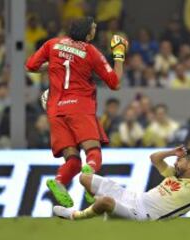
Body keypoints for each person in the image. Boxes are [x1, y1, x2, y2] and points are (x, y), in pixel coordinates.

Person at [26, 17, 128, 208]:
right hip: (80, 107)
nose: (95, 32)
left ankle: (58, 181)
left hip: (55, 110)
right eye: (94, 29)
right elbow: (115, 83)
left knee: (72, 160)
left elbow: (31, 65)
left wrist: (54, 64)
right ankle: (89, 180)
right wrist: (119, 56)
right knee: (93, 152)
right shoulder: (90, 52)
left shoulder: (52, 44)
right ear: (88, 33)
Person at [53, 146, 190, 221]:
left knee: (105, 202)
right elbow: (154, 158)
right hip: (133, 197)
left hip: (143, 216)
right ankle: (94, 200)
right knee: (83, 178)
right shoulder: (173, 174)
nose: (175, 162)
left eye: (180, 160)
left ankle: (75, 216)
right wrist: (173, 152)